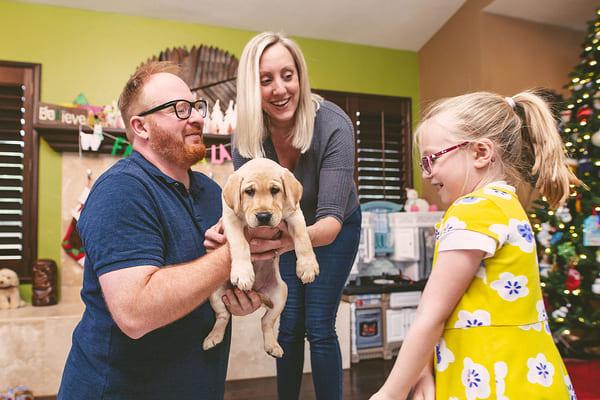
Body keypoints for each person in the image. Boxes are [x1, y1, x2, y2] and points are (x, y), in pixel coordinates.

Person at [58, 61, 262, 400]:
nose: (197, 118)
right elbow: (135, 312)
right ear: (141, 127)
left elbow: (208, 282)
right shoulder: (121, 190)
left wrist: (237, 299)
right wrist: (236, 253)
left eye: (197, 107)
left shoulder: (213, 193)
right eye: (179, 109)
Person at [370, 90, 579, 400]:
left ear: (481, 152)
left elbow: (432, 314)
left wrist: (390, 392)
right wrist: (424, 368)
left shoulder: (473, 211)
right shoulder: (504, 205)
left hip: (490, 379)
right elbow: (452, 305)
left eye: (432, 159)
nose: (427, 174)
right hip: (526, 375)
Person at [205, 32, 361, 400]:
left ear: (300, 77)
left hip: (334, 227)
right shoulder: (246, 135)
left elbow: (330, 222)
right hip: (282, 232)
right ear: (252, 87)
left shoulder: (334, 125)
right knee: (289, 323)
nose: (279, 89)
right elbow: (242, 211)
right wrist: (229, 234)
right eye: (265, 80)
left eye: (287, 76)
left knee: (320, 325)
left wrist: (281, 246)